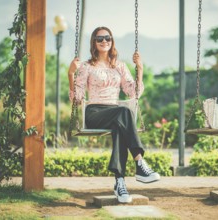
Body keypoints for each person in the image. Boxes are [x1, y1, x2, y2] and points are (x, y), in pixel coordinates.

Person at [68, 26, 160, 203]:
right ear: (94, 43)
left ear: (112, 41)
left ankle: (119, 182)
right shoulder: (87, 66)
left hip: (115, 113)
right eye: (100, 38)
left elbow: (133, 93)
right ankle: (140, 162)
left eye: (107, 38)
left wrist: (139, 68)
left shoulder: (120, 66)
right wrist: (71, 73)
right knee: (123, 113)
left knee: (120, 125)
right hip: (94, 112)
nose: (104, 41)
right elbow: (77, 98)